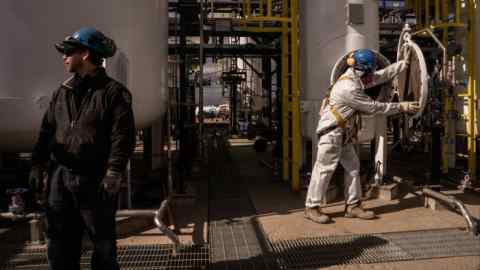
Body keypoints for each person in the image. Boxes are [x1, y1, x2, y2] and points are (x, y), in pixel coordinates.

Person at [29, 27, 136, 269]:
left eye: (69, 52)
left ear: (85, 54)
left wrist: (114, 172)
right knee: (59, 246)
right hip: (60, 179)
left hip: (95, 179)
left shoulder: (113, 93)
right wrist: (37, 164)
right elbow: (46, 132)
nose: (64, 57)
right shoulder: (61, 93)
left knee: (103, 247)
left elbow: (123, 137)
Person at [305, 48, 420, 224]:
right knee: (324, 170)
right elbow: (374, 107)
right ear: (363, 69)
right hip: (332, 133)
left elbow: (380, 76)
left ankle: (353, 206)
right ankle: (312, 207)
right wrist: (401, 107)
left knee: (353, 167)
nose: (372, 75)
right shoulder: (349, 88)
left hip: (342, 134)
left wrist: (402, 65)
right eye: (370, 71)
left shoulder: (355, 77)